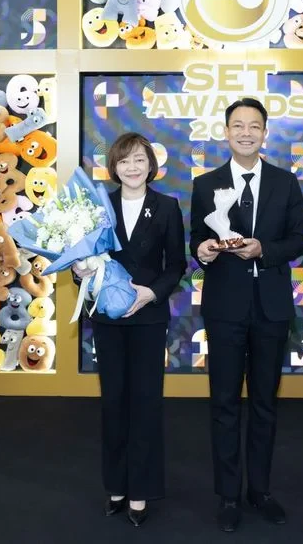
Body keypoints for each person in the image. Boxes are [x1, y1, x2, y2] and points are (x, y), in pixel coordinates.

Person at [190, 97, 303, 532]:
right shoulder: (206, 184)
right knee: (224, 402)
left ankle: (260, 490)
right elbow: (196, 240)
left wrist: (263, 249)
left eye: (254, 126)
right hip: (224, 308)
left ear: (264, 133)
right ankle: (228, 494)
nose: (246, 133)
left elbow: (299, 240)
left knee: (264, 403)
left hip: (271, 309)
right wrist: (203, 251)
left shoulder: (285, 182)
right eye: (237, 126)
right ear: (225, 132)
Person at [80, 132, 186, 528]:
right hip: (108, 319)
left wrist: (152, 293)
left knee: (145, 402)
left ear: (151, 164)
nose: (132, 167)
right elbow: (83, 257)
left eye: (139, 159)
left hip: (148, 318)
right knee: (113, 402)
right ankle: (116, 486)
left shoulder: (167, 207)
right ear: (114, 167)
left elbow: (176, 264)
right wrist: (80, 271)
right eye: (124, 161)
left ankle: (140, 489)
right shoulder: (97, 205)